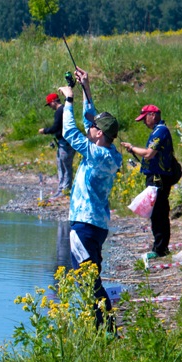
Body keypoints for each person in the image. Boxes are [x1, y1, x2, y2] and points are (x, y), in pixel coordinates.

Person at [60, 67, 122, 331]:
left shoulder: (95, 155)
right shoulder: (112, 155)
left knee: (89, 281)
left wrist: (69, 99)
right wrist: (86, 87)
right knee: (91, 278)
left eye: (95, 127)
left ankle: (106, 331)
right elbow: (89, 123)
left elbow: (70, 131)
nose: (91, 127)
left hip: (83, 226)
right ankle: (102, 329)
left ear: (99, 134)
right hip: (98, 227)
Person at [121, 105, 178, 260]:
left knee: (159, 213)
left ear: (153, 115)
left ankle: (160, 249)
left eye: (145, 118)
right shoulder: (157, 131)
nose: (144, 122)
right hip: (155, 178)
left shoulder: (160, 131)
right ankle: (159, 246)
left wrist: (132, 147)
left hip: (159, 179)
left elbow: (149, 154)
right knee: (156, 214)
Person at [38, 91, 76, 199]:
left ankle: (65, 190)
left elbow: (55, 127)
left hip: (66, 143)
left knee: (65, 167)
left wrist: (44, 130)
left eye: (49, 104)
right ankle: (61, 189)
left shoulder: (60, 111)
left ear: (54, 101)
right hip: (63, 142)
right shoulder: (64, 109)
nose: (50, 107)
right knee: (61, 166)